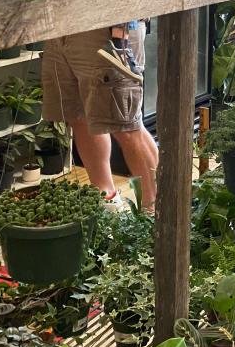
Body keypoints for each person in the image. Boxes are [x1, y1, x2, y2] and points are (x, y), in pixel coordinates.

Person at [42, 23, 159, 210]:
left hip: (109, 29)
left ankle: (157, 211)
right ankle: (107, 200)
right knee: (79, 116)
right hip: (61, 26)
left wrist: (121, 30)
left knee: (127, 125)